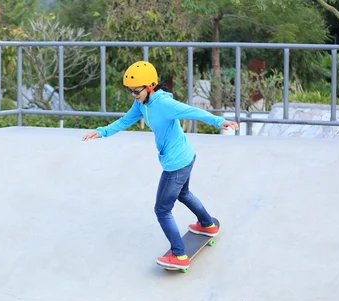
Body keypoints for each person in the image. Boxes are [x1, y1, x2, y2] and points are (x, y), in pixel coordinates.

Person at [82, 60, 239, 269]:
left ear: (150, 87)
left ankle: (179, 254)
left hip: (176, 164)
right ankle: (207, 225)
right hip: (185, 157)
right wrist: (101, 132)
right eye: (130, 91)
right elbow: (123, 122)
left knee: (162, 209)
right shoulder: (141, 104)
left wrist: (220, 122)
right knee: (183, 193)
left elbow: (192, 111)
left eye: (135, 92)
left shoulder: (164, 104)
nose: (133, 96)